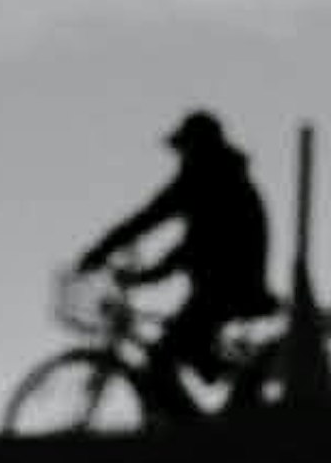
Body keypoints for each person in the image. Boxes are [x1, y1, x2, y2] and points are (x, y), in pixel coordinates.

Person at [75, 110, 276, 419]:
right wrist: (145, 272)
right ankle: (229, 402)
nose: (181, 155)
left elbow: (163, 227)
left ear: (198, 146)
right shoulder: (219, 176)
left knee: (162, 358)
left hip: (227, 284)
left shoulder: (208, 179)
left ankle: (198, 434)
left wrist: (101, 255)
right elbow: (179, 238)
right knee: (194, 351)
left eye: (185, 147)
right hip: (220, 283)